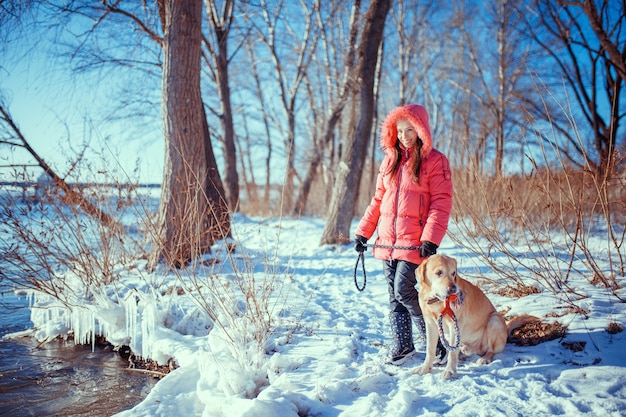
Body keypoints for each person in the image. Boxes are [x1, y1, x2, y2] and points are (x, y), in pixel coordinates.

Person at [354, 104, 453, 365]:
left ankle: (440, 345)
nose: (404, 135)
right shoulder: (389, 161)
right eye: (399, 130)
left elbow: (441, 202)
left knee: (404, 291)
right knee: (393, 294)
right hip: (388, 241)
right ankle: (403, 346)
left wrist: (431, 239)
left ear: (421, 130)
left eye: (410, 129)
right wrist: (364, 232)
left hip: (415, 242)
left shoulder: (435, 160)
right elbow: (378, 200)